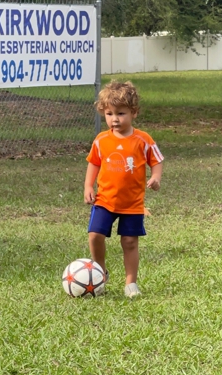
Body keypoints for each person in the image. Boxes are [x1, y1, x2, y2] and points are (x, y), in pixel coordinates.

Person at [84, 81, 164, 298]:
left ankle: (131, 283)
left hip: (132, 203)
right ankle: (100, 271)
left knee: (129, 242)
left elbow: (156, 161)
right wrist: (88, 186)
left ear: (134, 112)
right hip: (105, 200)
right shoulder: (101, 140)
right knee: (94, 235)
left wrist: (156, 177)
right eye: (109, 114)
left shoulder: (143, 139)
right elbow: (94, 163)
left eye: (121, 113)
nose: (115, 119)